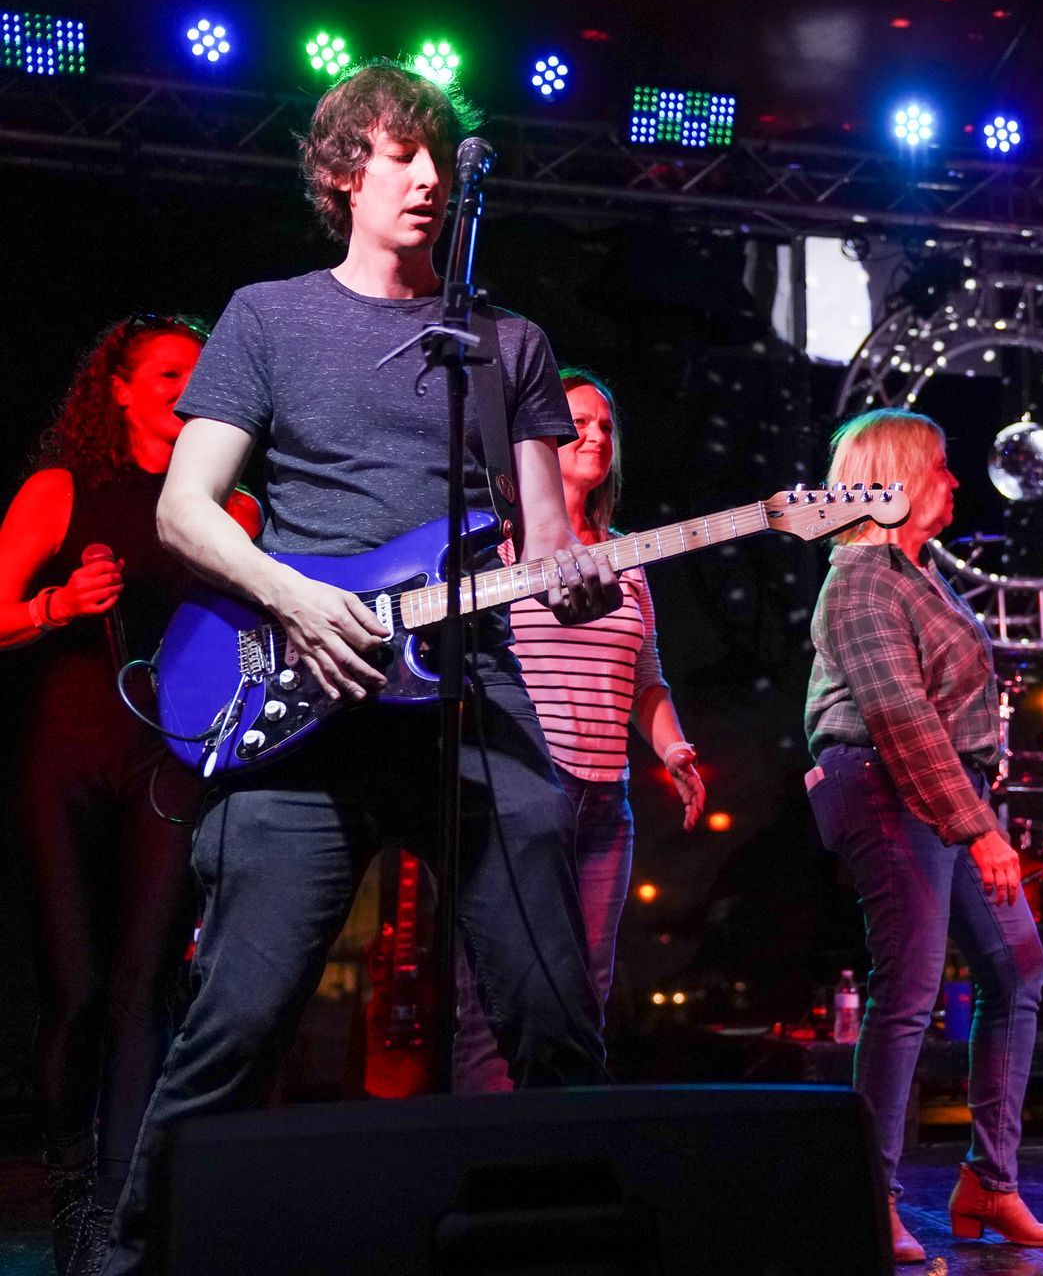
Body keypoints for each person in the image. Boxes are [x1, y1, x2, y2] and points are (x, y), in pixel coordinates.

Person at [97, 62, 619, 1275]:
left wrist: (576, 579)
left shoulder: (511, 343)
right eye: (399, 152)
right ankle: (131, 1257)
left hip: (468, 698)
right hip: (303, 693)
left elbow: (546, 541)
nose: (429, 175)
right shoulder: (268, 317)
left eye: (437, 151)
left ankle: (578, 1248)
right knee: (237, 1021)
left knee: (553, 1011)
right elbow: (184, 507)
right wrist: (296, 597)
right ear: (342, 174)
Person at [0, 315, 259, 1273]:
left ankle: (121, 1205)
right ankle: (70, 1189)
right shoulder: (61, 488)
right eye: (164, 373)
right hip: (65, 755)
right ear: (115, 388)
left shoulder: (233, 510)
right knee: (73, 988)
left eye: (198, 374)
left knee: (144, 988)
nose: (185, 389)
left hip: (173, 760)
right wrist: (54, 605)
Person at [804, 409, 1043, 1264]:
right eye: (944, 466)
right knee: (911, 985)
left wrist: (973, 814)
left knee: (1017, 966)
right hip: (885, 780)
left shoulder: (918, 574)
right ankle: (866, 1193)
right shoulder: (860, 577)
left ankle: (989, 1182)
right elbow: (900, 717)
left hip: (943, 788)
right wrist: (980, 829)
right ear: (899, 478)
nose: (956, 480)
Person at [451, 367, 705, 1093]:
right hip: (525, 791)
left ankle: (564, 1147)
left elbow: (646, 679)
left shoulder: (627, 556)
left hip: (605, 803)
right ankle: (480, 1153)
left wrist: (673, 748)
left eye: (605, 426)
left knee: (586, 992)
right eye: (578, 424)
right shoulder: (498, 551)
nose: (595, 436)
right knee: (499, 995)